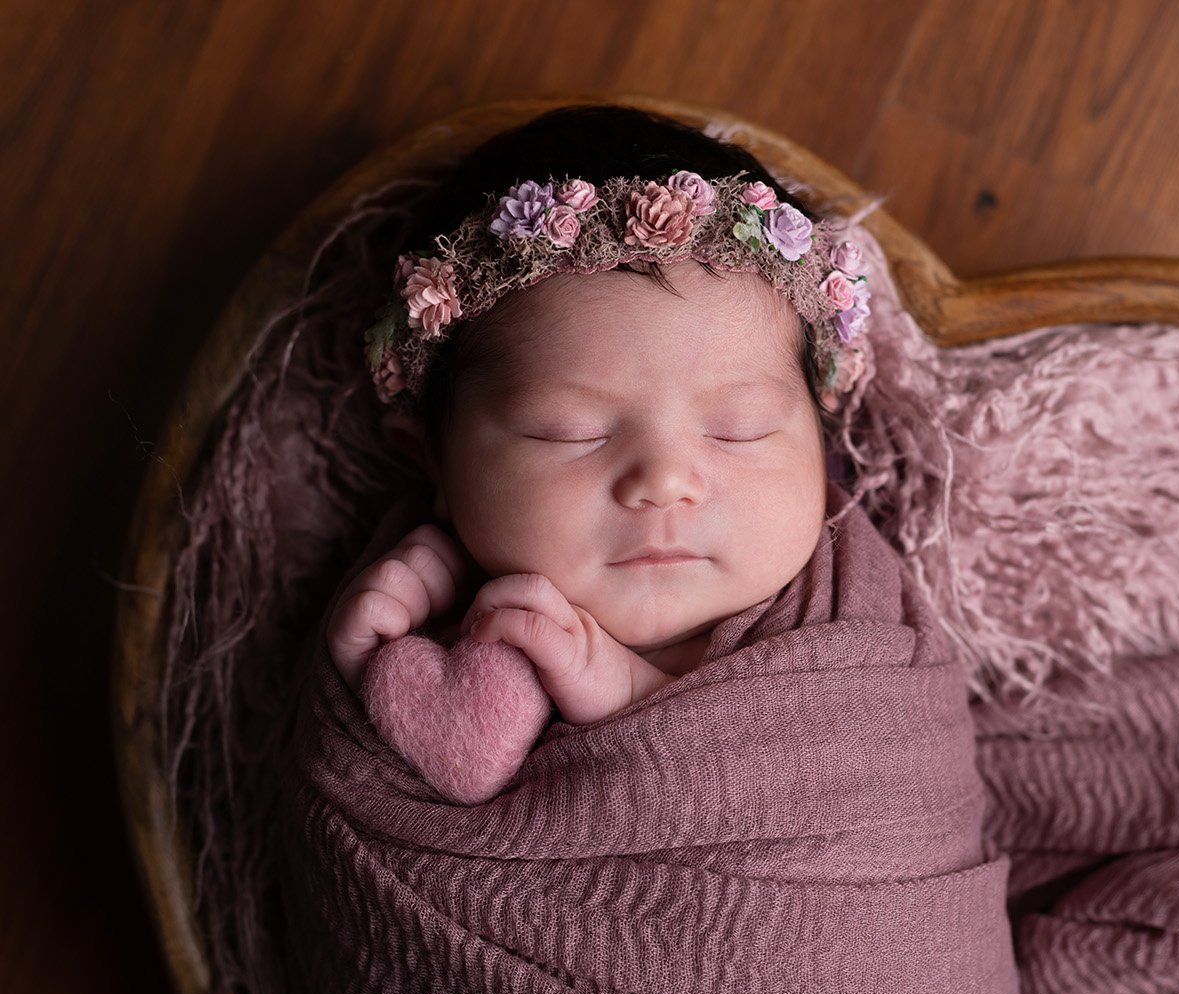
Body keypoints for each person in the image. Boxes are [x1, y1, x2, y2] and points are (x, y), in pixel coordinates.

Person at [324, 104, 875, 733]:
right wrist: (375, 691)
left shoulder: (858, 630)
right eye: (571, 432)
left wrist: (628, 693)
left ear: (820, 438)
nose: (664, 482)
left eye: (739, 428)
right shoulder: (421, 628)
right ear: (432, 462)